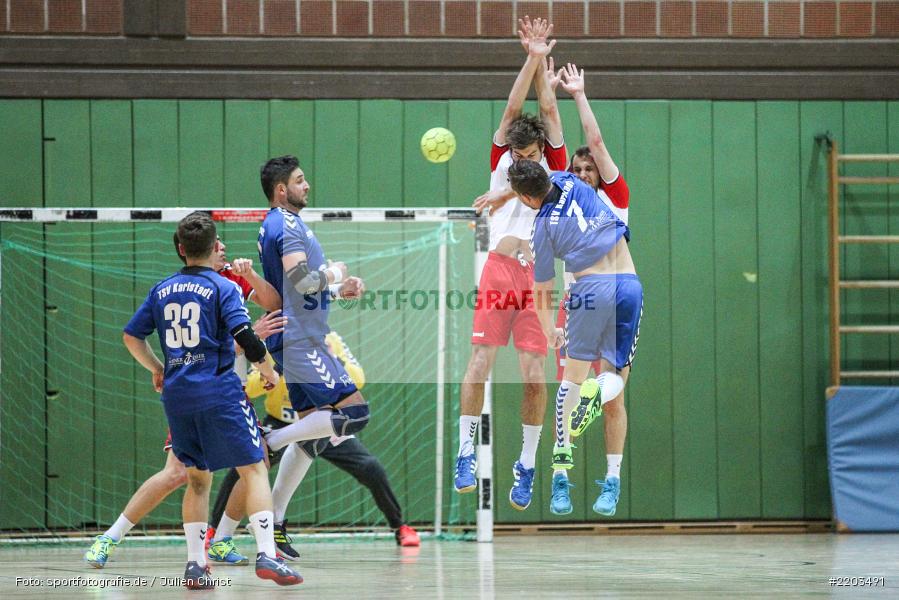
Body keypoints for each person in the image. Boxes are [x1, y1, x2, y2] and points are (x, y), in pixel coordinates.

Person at [121, 211, 301, 588]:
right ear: (213, 246)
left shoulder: (161, 289)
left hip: (178, 396)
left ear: (181, 249)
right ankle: (267, 554)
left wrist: (158, 369)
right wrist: (268, 370)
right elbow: (246, 336)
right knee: (254, 468)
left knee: (197, 480)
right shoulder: (223, 288)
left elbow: (131, 337)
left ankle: (195, 565)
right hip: (218, 391)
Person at [84, 231, 284, 569]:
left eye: (224, 244)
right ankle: (110, 537)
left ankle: (219, 541)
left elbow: (274, 303)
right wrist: (257, 347)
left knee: (252, 464)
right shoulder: (210, 288)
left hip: (191, 390)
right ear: (205, 248)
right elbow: (225, 345)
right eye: (218, 243)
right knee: (183, 473)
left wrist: (250, 274)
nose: (224, 248)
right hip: (212, 388)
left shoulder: (231, 280)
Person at [456, 16, 568, 512]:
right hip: (500, 270)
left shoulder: (556, 167)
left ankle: (525, 465)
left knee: (533, 377)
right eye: (518, 153)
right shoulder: (502, 161)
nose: (522, 162)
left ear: (541, 151)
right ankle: (465, 450)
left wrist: (544, 58)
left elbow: (546, 106)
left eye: (531, 154)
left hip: (540, 279)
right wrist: (530, 57)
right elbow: (513, 106)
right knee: (479, 362)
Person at [506, 159, 642, 519]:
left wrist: (550, 327)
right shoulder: (571, 180)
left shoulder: (542, 227)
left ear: (526, 199)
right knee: (615, 378)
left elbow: (541, 289)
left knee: (570, 382)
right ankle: (600, 392)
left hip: (589, 290)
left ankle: (561, 477)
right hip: (628, 284)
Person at [207, 332, 420, 560]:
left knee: (370, 467)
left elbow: (358, 379)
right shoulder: (272, 344)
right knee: (243, 472)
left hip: (321, 423)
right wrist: (275, 371)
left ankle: (399, 527)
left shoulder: (330, 339)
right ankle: (215, 531)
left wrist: (333, 362)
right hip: (282, 419)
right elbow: (249, 387)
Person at [549, 63, 634, 515]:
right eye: (576, 169)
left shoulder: (613, 198)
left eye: (589, 169)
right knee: (568, 390)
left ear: (599, 174)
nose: (582, 173)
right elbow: (554, 148)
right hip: (578, 301)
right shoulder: (563, 204)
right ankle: (560, 477)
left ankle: (612, 479)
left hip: (617, 295)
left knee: (614, 390)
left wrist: (578, 94)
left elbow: (595, 143)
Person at [254, 156, 370, 457]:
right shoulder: (287, 225)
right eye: (299, 180)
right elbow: (303, 282)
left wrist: (337, 291)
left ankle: (276, 507)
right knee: (354, 413)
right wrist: (337, 272)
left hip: (293, 335)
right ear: (281, 190)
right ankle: (272, 439)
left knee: (311, 436)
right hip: (300, 338)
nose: (307, 186)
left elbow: (294, 292)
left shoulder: (276, 224)